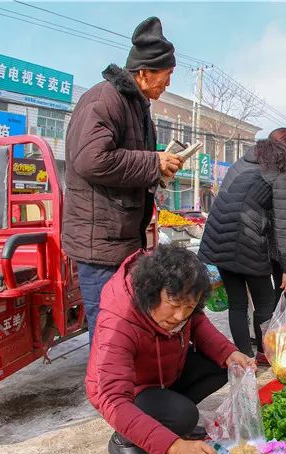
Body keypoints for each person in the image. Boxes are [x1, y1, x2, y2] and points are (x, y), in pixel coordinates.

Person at [85, 245, 255, 454]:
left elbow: (198, 323)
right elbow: (112, 399)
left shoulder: (184, 306)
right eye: (174, 306)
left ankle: (166, 419)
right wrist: (175, 446)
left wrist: (229, 353)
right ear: (150, 291)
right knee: (184, 416)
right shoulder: (118, 322)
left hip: (164, 376)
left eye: (189, 306)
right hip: (131, 392)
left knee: (222, 365)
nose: (179, 316)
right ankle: (122, 440)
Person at [63, 17, 182, 342]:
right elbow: (91, 159)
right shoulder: (104, 100)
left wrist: (160, 168)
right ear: (144, 73)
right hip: (100, 244)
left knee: (126, 330)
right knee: (109, 335)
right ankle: (106, 393)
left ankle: (126, 391)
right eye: (166, 76)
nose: (168, 84)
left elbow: (130, 165)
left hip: (123, 241)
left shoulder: (137, 105)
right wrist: (151, 162)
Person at [198, 128, 286, 364]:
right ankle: (271, 356)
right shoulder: (283, 170)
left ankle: (245, 359)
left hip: (218, 239)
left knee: (237, 304)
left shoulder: (244, 161)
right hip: (247, 239)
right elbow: (284, 224)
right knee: (265, 302)